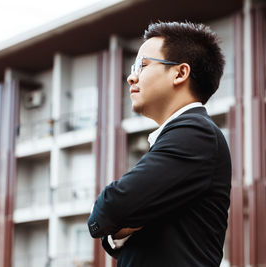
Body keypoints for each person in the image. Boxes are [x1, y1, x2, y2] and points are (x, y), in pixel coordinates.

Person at [88, 21, 231, 267]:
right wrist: (122, 221)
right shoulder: (180, 136)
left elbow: (111, 206)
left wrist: (124, 220)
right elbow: (116, 219)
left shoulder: (195, 134)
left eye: (143, 65)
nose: (132, 77)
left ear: (180, 73)